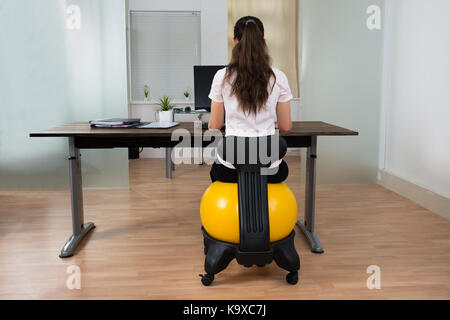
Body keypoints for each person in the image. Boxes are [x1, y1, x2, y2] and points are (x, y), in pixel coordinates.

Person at [208, 16, 293, 183]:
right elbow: (286, 126)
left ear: (234, 42)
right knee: (282, 169)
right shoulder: (279, 77)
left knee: (217, 169)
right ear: (264, 42)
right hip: (270, 170)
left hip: (231, 169)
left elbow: (214, 125)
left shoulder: (221, 76)